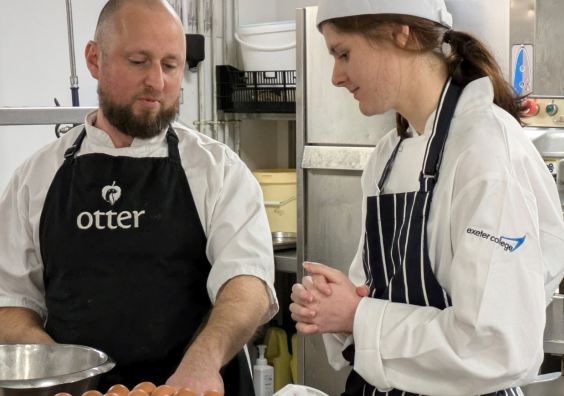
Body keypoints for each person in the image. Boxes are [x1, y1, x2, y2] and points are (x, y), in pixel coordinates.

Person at [0, 0, 278, 394]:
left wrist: (203, 363)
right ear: (95, 60)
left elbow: (247, 282)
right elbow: (10, 300)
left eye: (170, 65)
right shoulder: (36, 177)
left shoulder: (218, 171)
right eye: (138, 61)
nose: (157, 82)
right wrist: (57, 369)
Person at [290, 0, 564, 395]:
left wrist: (358, 316)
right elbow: (367, 293)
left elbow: (496, 345)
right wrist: (330, 307)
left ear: (401, 33)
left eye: (344, 53)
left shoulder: (484, 149)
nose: (335, 76)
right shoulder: (389, 155)